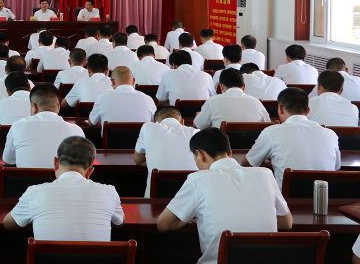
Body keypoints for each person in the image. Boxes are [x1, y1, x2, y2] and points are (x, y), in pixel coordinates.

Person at [157, 128, 292, 264]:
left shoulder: (197, 180)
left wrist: (187, 219)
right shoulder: (265, 174)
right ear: (230, 152)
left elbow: (163, 224)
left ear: (201, 155)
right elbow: (287, 222)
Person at [3, 136, 123, 240]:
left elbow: (8, 224)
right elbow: (119, 222)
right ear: (90, 171)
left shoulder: (33, 193)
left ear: (55, 163)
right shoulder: (110, 192)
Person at [245, 87, 340, 187]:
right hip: (324, 195)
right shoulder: (331, 134)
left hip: (284, 196)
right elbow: (336, 167)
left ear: (281, 109)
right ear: (308, 110)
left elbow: (248, 164)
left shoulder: (271, 132)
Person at [3, 84, 85, 168]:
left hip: (27, 177)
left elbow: (8, 161)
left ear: (34, 107)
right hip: (63, 176)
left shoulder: (17, 126)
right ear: (58, 106)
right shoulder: (77, 131)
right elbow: (82, 164)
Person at [134, 106, 199, 197]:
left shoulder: (148, 127)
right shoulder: (196, 132)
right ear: (182, 122)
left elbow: (138, 159)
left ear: (154, 122)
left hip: (154, 200)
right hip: (191, 199)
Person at [193, 68, 270, 130]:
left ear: (221, 86)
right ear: (244, 86)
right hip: (252, 144)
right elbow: (268, 125)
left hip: (222, 145)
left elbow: (198, 126)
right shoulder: (257, 102)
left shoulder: (212, 101)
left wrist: (198, 116)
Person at [89, 67, 156, 128]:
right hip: (140, 138)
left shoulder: (102, 99)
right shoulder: (148, 99)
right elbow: (154, 122)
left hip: (113, 138)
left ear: (112, 81)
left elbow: (91, 123)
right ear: (133, 81)